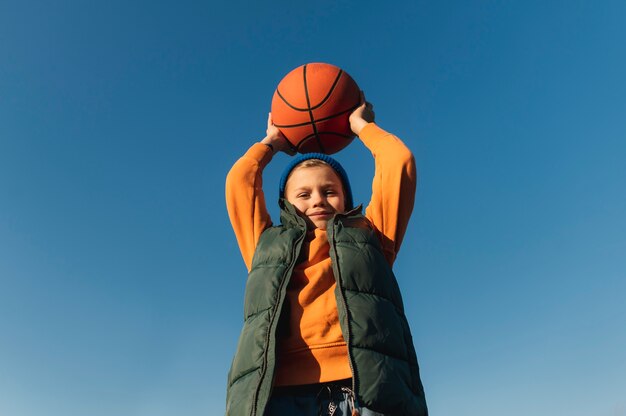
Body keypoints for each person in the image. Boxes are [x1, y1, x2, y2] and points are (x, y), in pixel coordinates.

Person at [224, 95, 428, 416]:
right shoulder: (265, 245)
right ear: (286, 204)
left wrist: (362, 126)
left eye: (329, 191)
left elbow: (397, 161)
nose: (317, 200)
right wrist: (272, 142)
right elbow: (240, 182)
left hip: (360, 389)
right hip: (277, 393)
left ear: (345, 200)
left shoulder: (371, 235)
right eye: (303, 194)